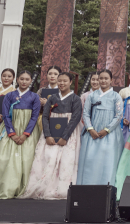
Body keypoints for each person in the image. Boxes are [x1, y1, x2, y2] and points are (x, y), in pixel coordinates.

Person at [19, 72, 83, 200]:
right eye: (60, 81)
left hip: (69, 134)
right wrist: (47, 135)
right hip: (51, 133)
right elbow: (45, 117)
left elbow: (75, 118)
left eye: (65, 81)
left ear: (70, 82)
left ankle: (61, 189)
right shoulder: (52, 98)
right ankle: (42, 187)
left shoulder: (75, 99)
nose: (62, 83)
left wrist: (65, 137)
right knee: (48, 157)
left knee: (66, 160)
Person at [0, 69, 41, 199]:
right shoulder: (9, 95)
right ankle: (5, 186)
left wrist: (25, 134)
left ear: (31, 81)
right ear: (17, 80)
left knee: (27, 158)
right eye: (22, 79)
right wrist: (12, 133)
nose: (24, 81)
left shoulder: (34, 96)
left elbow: (34, 117)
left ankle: (23, 187)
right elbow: (6, 115)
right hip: (10, 128)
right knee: (4, 159)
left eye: (27, 79)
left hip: (28, 130)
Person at [77, 69, 124, 186]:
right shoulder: (91, 96)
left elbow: (118, 116)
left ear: (111, 80)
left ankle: (107, 188)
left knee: (108, 161)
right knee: (90, 160)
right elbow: (86, 113)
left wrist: (107, 129)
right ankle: (87, 187)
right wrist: (90, 129)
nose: (103, 81)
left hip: (110, 134)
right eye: (101, 78)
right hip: (92, 133)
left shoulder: (116, 96)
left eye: (106, 78)